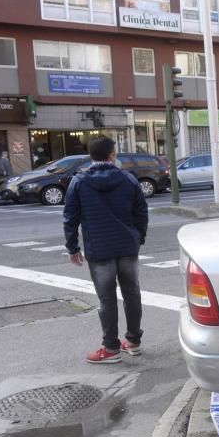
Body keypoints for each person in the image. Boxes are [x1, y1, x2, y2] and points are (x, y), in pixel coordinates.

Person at [63, 136, 148, 364]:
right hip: (127, 246)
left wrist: (73, 247)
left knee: (107, 298)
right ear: (112, 155)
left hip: (99, 249)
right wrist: (138, 237)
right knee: (132, 294)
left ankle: (110, 348)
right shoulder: (128, 179)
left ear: (91, 157)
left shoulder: (79, 182)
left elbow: (70, 217)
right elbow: (141, 211)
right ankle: (133, 342)